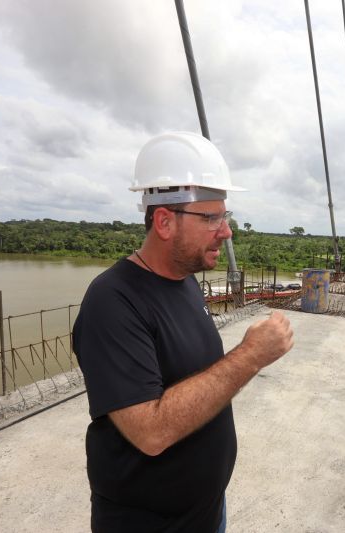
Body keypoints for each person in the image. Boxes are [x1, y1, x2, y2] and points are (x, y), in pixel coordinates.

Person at [73, 132, 295, 532]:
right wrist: (250, 355)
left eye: (224, 217)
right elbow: (150, 431)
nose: (226, 232)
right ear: (164, 222)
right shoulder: (112, 301)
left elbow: (195, 381)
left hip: (206, 512)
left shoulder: (186, 282)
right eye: (211, 218)